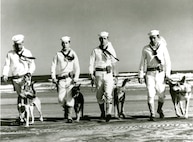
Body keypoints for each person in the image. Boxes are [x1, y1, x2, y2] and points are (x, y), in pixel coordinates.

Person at [138, 30, 171, 121]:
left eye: (154, 37)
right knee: (150, 93)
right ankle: (152, 114)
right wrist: (141, 75)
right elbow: (142, 63)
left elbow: (168, 61)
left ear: (158, 37)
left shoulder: (163, 47)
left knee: (161, 94)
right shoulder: (146, 49)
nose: (152, 39)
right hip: (149, 74)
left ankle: (159, 109)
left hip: (160, 73)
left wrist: (167, 74)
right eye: (151, 38)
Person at [2, 34, 36, 123]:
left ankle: (23, 116)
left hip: (25, 78)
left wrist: (29, 73)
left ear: (22, 43)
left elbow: (32, 65)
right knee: (20, 96)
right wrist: (5, 74)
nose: (19, 46)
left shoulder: (27, 52)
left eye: (20, 44)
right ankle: (22, 116)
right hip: (15, 79)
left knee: (24, 96)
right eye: (17, 45)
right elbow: (7, 65)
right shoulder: (10, 54)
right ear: (14, 45)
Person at [89, 31, 118, 122]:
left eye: (104, 38)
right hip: (98, 74)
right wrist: (91, 74)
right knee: (99, 96)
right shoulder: (95, 50)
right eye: (101, 39)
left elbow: (114, 63)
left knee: (109, 94)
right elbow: (91, 63)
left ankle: (108, 113)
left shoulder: (111, 49)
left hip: (108, 74)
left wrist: (115, 76)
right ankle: (102, 112)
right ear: (99, 39)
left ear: (107, 39)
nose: (102, 40)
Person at [51, 36, 80, 123]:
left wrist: (76, 77)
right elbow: (53, 66)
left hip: (70, 79)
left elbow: (77, 67)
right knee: (60, 99)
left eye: (66, 43)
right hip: (61, 79)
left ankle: (69, 116)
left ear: (69, 43)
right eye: (63, 43)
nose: (65, 45)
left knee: (70, 98)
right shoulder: (58, 54)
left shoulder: (73, 53)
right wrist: (53, 77)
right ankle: (66, 110)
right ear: (61, 44)